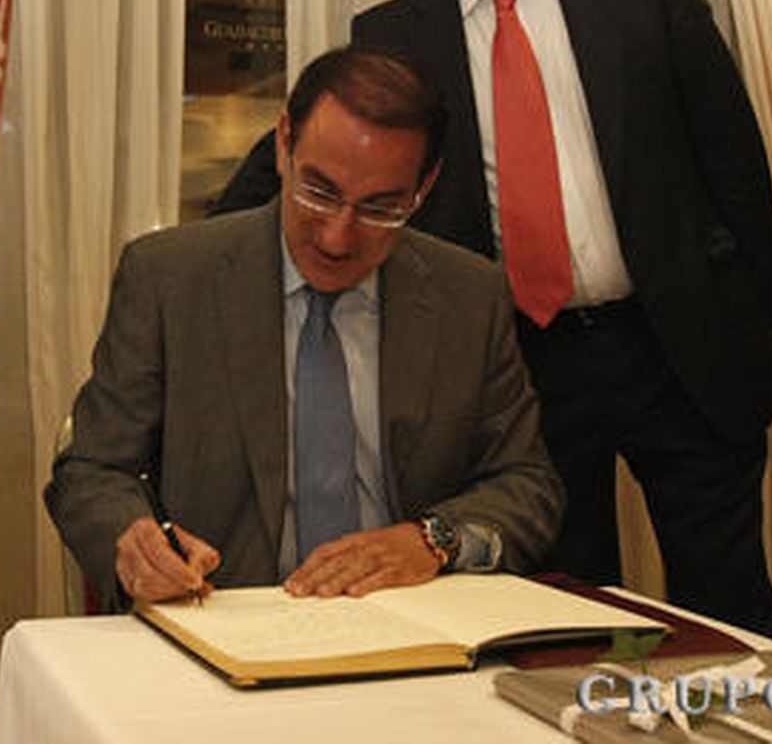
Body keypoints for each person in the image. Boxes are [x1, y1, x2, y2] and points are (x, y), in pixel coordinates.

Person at [217, 0, 772, 639]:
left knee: (729, 601)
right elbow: (311, 168)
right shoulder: (393, 35)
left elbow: (735, 158)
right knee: (567, 614)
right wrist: (196, 258)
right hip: (524, 369)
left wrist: (756, 321)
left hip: (678, 349)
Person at [47, 46, 563, 610]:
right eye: (318, 192)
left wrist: (434, 540)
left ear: (425, 186)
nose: (337, 237)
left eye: (380, 209)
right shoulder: (169, 279)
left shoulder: (468, 295)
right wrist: (134, 541)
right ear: (283, 143)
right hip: (224, 620)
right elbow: (93, 467)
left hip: (414, 627)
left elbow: (527, 484)